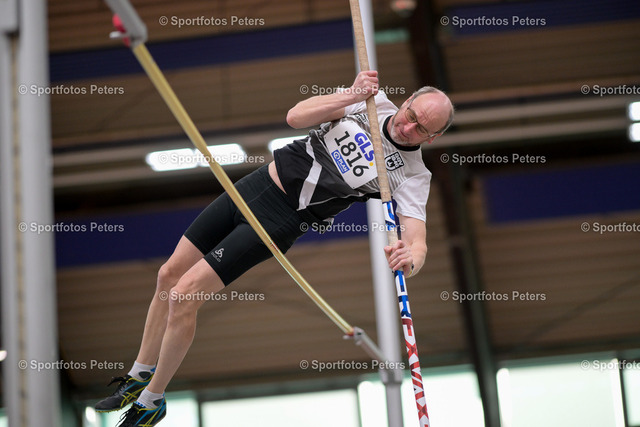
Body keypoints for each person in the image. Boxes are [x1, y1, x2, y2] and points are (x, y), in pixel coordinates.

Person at [95, 70, 454, 427]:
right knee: (168, 275)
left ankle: (152, 400)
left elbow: (417, 242)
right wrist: (352, 94)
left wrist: (411, 260)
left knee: (184, 295)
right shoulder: (370, 102)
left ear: (433, 137)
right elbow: (296, 116)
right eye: (411, 115)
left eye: (421, 129)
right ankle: (139, 375)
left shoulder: (413, 174)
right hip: (253, 186)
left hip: (279, 220)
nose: (409, 127)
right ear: (407, 101)